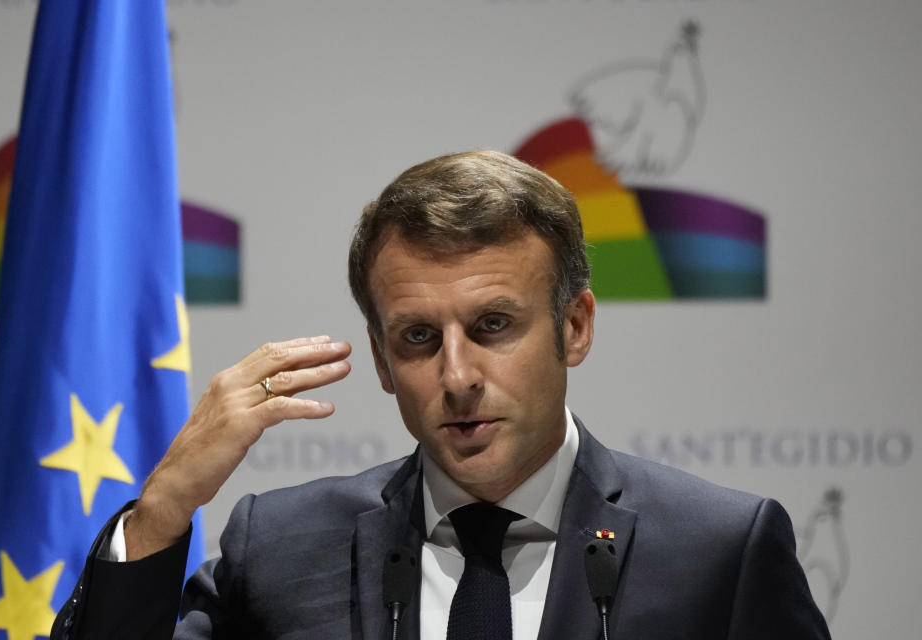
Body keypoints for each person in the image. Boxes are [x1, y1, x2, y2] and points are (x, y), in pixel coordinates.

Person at [52, 150, 830, 639]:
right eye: (419, 337)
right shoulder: (283, 547)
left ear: (576, 327)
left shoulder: (719, 549)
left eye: (493, 324)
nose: (456, 377)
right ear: (385, 361)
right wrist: (162, 512)